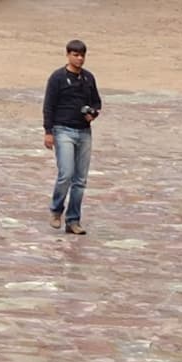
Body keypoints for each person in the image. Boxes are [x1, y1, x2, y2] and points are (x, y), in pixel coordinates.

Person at [42, 38, 101, 236]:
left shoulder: (88, 79)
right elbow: (48, 105)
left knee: (80, 180)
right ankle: (56, 209)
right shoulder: (58, 78)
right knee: (66, 174)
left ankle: (73, 219)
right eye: (75, 55)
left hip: (83, 131)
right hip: (62, 129)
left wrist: (92, 114)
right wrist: (48, 131)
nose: (79, 59)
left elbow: (97, 103)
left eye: (82, 55)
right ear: (68, 55)